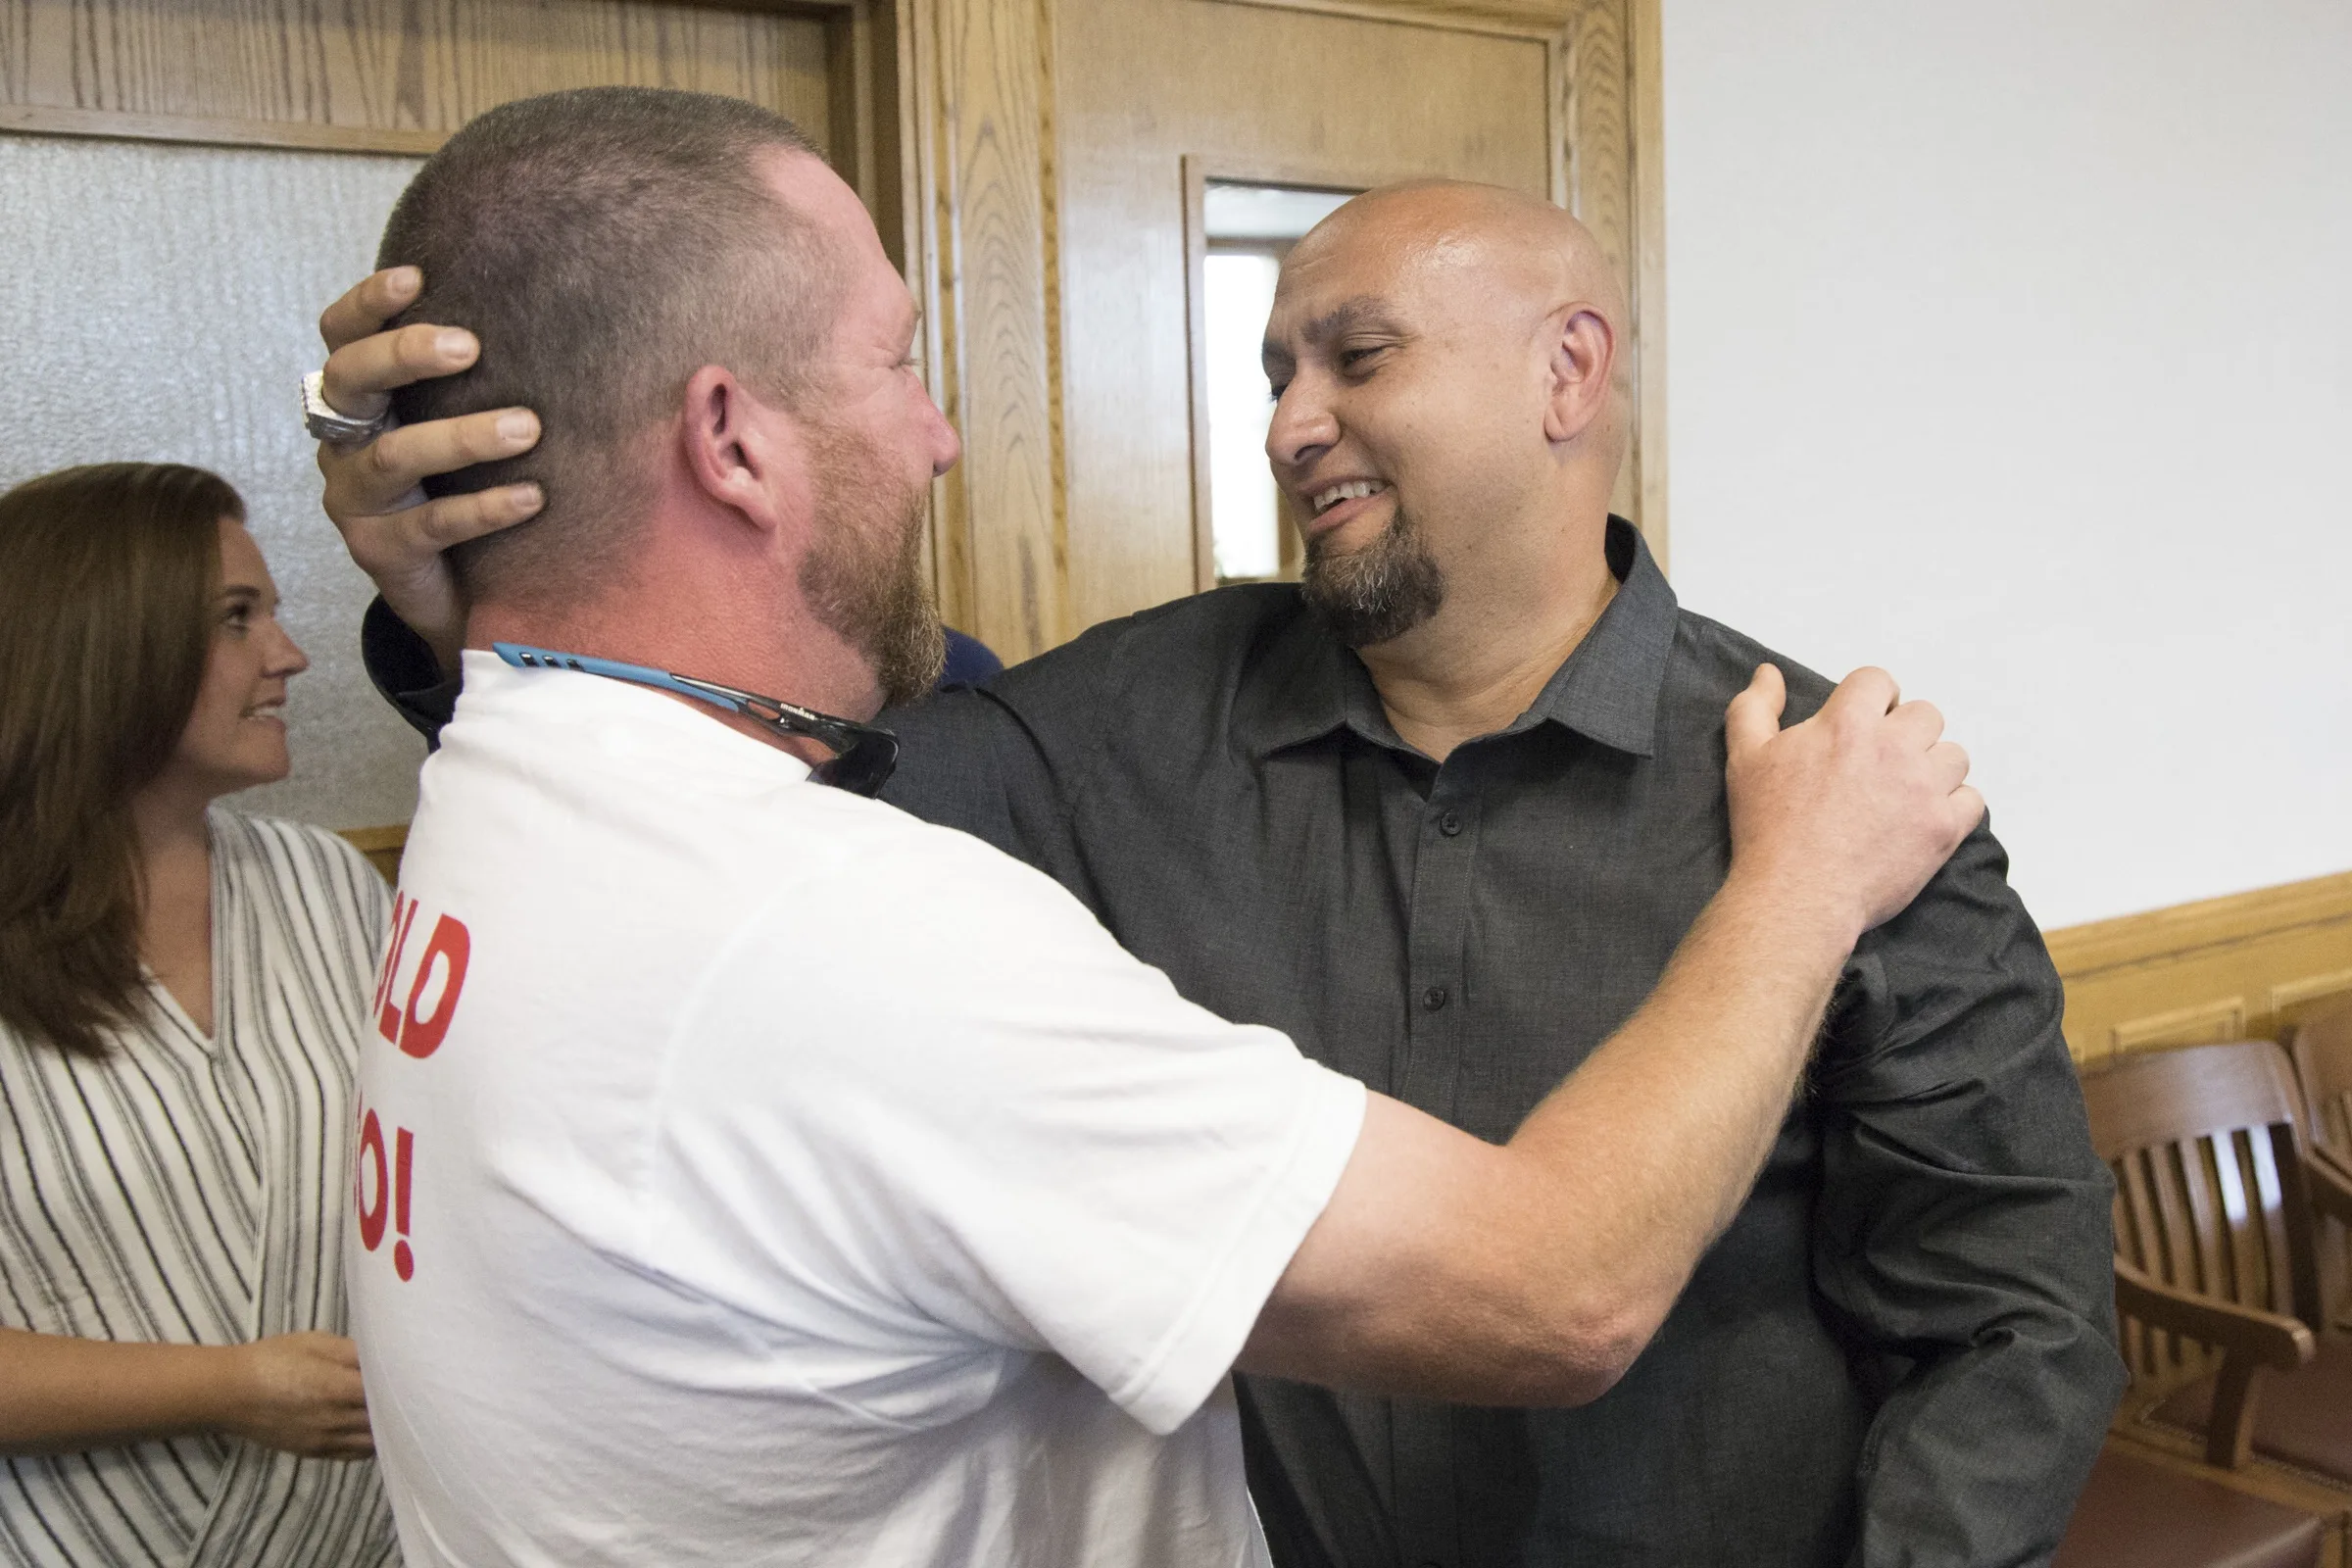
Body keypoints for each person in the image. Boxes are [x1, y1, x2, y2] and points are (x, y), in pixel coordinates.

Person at [312, 88, 1979, 1568]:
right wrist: (465, 609)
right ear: (731, 442)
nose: (1284, 423)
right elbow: (1556, 1288)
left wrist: (493, 611)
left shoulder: (1849, 775)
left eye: (1361, 355)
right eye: (899, 362)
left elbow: (2003, 1311)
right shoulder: (1065, 761)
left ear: (1570, 370)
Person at [0, 464, 401, 1567]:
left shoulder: (326, 886)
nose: (291, 652)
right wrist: (227, 1387)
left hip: (364, 1531)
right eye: (238, 618)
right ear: (102, 646)